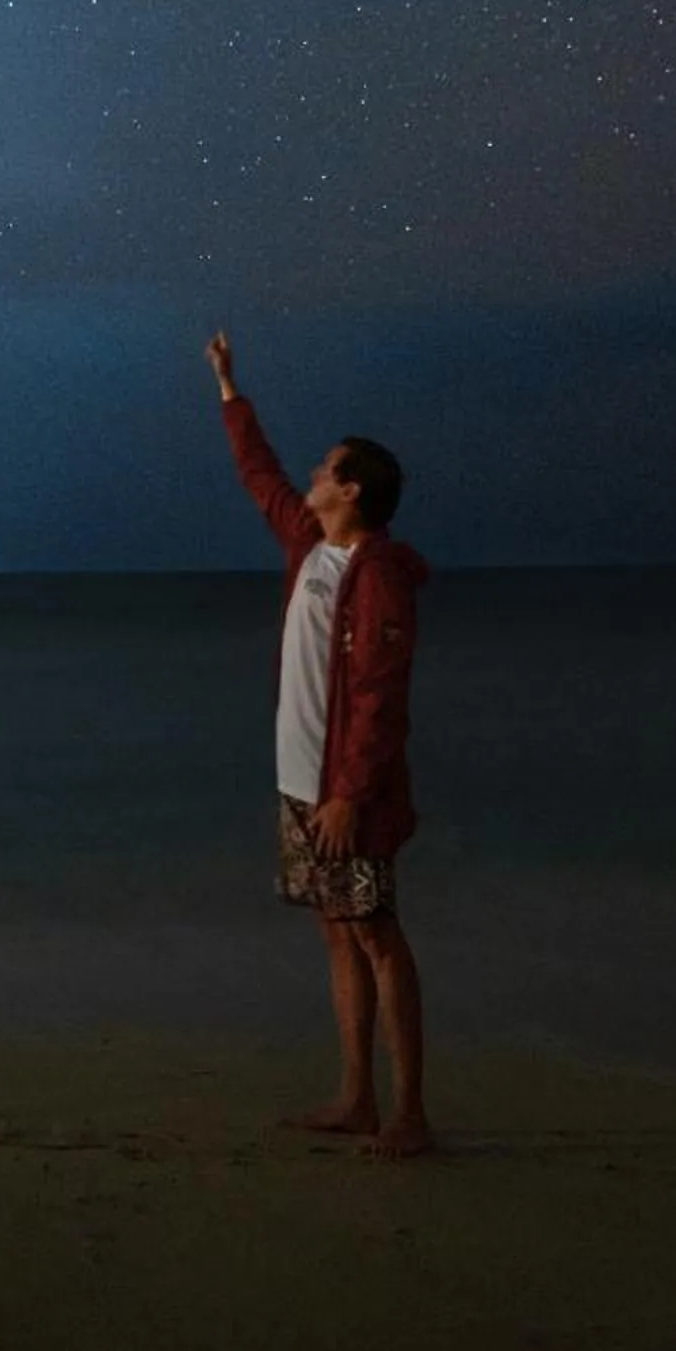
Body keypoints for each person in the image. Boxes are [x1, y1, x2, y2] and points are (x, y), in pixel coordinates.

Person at [207, 329, 434, 1156]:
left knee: (376, 931)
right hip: (301, 783)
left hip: (347, 794)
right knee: (337, 931)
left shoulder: (376, 578)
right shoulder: (309, 546)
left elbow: (380, 700)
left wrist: (349, 794)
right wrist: (231, 390)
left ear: (351, 490)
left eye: (323, 469)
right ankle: (355, 1097)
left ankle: (408, 1113)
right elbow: (259, 476)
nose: (308, 476)